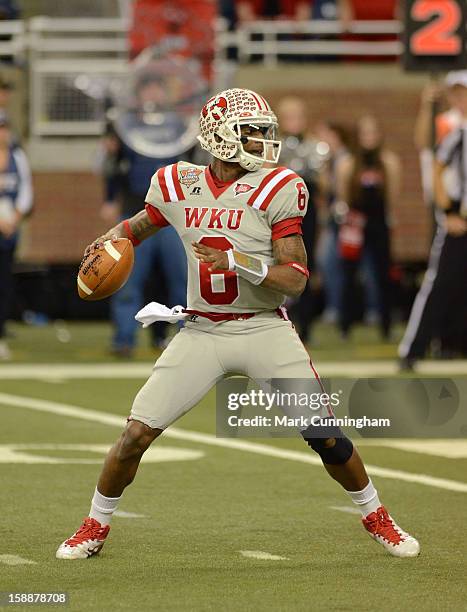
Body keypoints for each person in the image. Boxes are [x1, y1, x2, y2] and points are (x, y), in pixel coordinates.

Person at [56, 88, 419, 560]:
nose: (262, 140)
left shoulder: (278, 187)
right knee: (135, 436)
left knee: (323, 434)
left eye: (263, 131)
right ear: (217, 136)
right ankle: (95, 525)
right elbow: (143, 224)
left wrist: (240, 262)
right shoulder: (176, 183)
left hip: (262, 327)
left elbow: (296, 280)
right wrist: (111, 239)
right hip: (203, 330)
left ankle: (377, 516)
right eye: (250, 131)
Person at [399, 72, 467, 369]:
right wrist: (447, 211)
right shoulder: (451, 127)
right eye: (456, 93)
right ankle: (413, 350)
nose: (460, 98)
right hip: (455, 214)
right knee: (439, 284)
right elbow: (434, 159)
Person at [336, 114, 400, 338]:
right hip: (355, 223)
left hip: (378, 222)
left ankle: (385, 325)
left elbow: (392, 196)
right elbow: (343, 196)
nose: (369, 137)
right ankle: (345, 325)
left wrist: (389, 221)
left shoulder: (388, 161)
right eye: (365, 133)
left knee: (383, 274)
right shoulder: (348, 163)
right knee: (349, 274)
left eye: (373, 132)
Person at [0, 112, 33, 360]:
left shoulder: (16, 156)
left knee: (4, 282)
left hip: (9, 230)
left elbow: (26, 191)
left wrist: (15, 217)